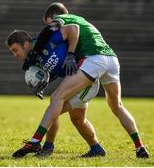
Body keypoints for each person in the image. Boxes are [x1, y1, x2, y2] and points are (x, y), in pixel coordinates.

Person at [9, 2, 149, 159]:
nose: (48, 26)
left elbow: (59, 30)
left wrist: (67, 54)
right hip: (110, 59)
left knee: (56, 101)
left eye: (47, 22)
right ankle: (138, 148)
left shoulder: (61, 21)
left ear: (51, 17)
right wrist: (44, 80)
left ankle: (38, 143)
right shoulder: (78, 20)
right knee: (113, 106)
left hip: (93, 60)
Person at [6, 29, 105, 158]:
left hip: (87, 80)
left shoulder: (48, 40)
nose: (15, 55)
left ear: (25, 44)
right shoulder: (33, 60)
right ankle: (96, 149)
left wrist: (71, 54)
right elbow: (52, 71)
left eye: (15, 50)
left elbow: (73, 29)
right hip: (75, 82)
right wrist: (41, 84)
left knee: (53, 109)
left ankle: (45, 147)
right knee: (78, 120)